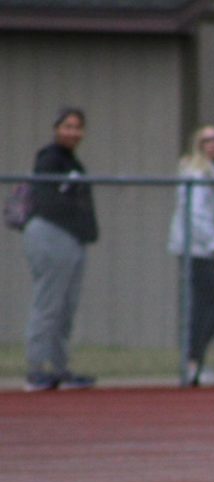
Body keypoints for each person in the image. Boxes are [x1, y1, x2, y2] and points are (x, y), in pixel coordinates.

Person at [22, 107, 99, 392]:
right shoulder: (49, 158)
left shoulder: (73, 162)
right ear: (57, 128)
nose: (73, 132)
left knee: (66, 306)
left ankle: (59, 367)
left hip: (73, 239)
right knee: (48, 303)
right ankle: (36, 368)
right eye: (67, 126)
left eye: (78, 127)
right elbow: (48, 200)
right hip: (51, 235)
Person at [168, 125, 214, 386]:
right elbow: (196, 216)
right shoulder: (197, 173)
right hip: (198, 252)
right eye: (207, 140)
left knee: (207, 308)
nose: (213, 144)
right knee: (200, 309)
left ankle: (197, 361)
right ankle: (192, 363)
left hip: (210, 249)